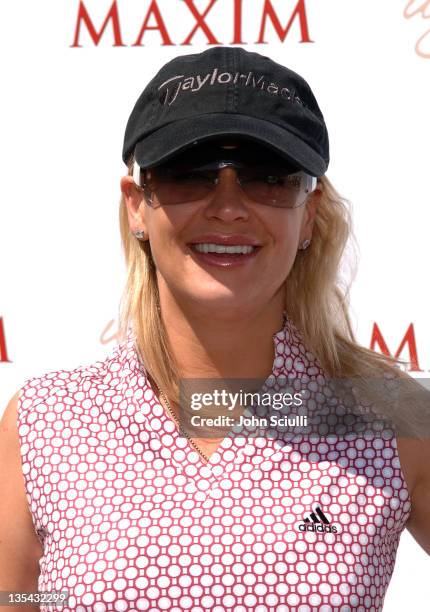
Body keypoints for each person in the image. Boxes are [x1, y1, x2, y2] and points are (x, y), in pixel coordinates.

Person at [1, 46, 429, 612]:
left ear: (309, 212)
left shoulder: (393, 422)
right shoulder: (46, 422)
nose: (228, 207)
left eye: (267, 178)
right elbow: (21, 598)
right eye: (188, 175)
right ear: (137, 206)